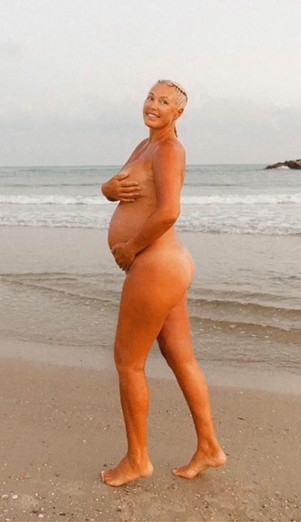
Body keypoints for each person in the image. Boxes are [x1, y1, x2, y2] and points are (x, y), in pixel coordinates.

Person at [99, 79, 227, 487]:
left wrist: (131, 248)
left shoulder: (170, 150)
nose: (154, 104)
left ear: (178, 113)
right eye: (151, 97)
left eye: (165, 101)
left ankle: (137, 460)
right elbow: (119, 188)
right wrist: (107, 189)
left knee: (128, 363)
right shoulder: (145, 146)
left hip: (156, 263)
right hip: (165, 264)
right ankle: (209, 448)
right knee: (181, 358)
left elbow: (169, 210)